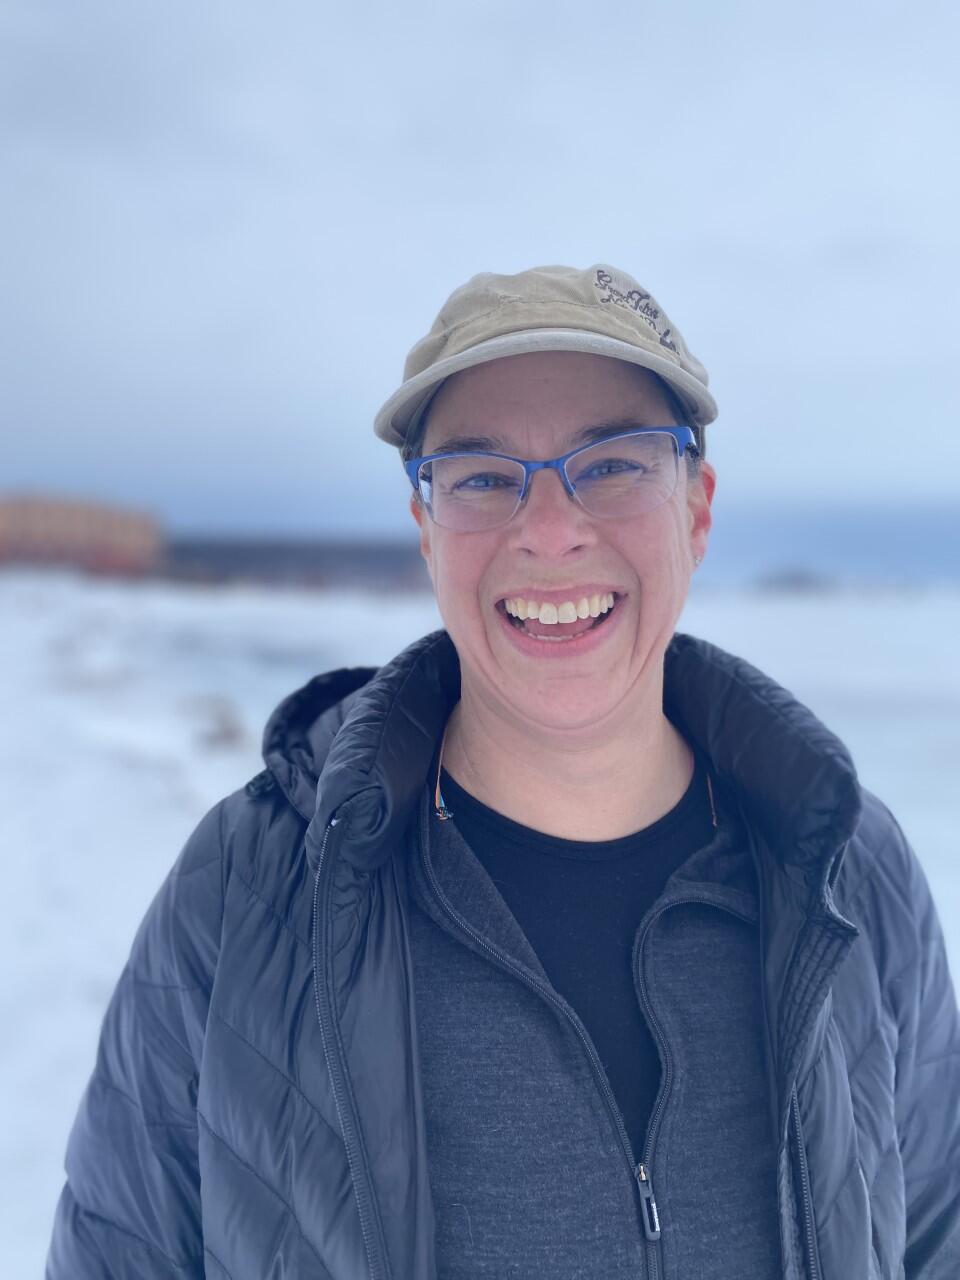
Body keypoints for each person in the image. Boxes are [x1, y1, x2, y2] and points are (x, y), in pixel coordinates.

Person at [47, 264, 960, 1279]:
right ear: (427, 530)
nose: (550, 529)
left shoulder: (845, 867)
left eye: (612, 463)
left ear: (697, 511)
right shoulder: (252, 886)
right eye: (481, 477)